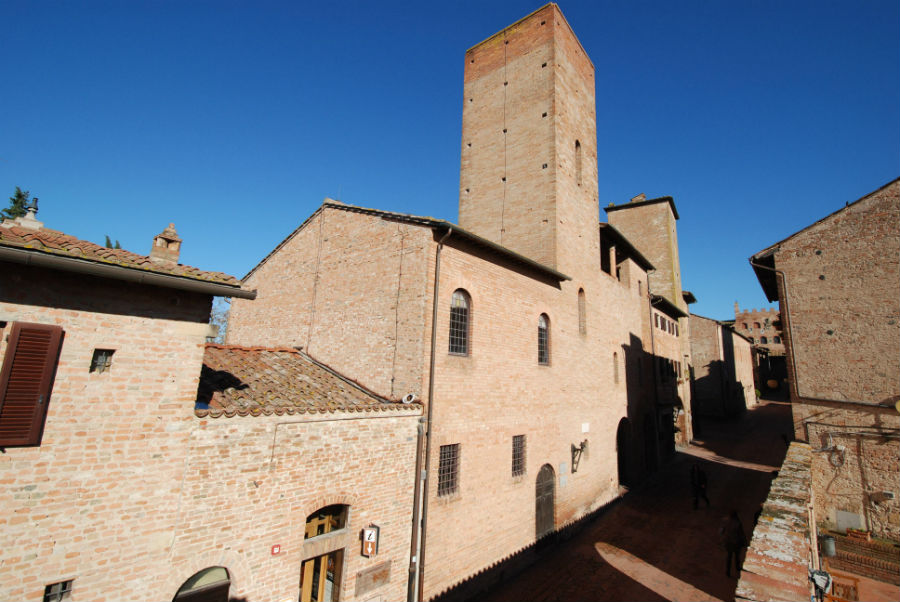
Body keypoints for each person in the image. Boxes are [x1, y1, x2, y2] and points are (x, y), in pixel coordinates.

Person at [720, 510, 748, 577]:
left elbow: (721, 531)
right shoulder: (737, 523)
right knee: (737, 556)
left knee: (729, 557)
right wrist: (745, 542)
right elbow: (741, 534)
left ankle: (728, 572)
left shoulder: (725, 521)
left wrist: (723, 537)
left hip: (728, 542)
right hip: (736, 542)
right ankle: (737, 567)